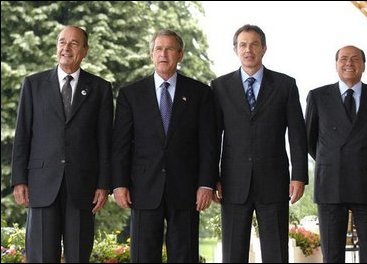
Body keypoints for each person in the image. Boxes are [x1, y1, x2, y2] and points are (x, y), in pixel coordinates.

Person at [112, 29, 217, 263]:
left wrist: (206, 184)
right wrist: (119, 184)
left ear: (180, 55)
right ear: (151, 54)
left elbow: (208, 144)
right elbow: (121, 145)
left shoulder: (200, 93)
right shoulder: (131, 94)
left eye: (169, 49)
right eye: (158, 49)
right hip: (143, 189)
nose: (163, 54)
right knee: (143, 255)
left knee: (184, 254)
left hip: (186, 190)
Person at [11, 25, 113, 263]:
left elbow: (105, 141)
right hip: (41, 184)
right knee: (41, 255)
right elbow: (22, 134)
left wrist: (104, 183)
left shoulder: (100, 88)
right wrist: (19, 179)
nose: (66, 48)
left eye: (74, 43)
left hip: (83, 186)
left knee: (78, 254)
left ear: (85, 50)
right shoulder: (33, 85)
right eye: (61, 42)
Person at [211, 24, 308, 263]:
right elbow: (213, 136)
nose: (248, 50)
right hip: (233, 183)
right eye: (243, 45)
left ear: (264, 48)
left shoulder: (286, 85)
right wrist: (212, 177)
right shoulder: (220, 87)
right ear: (235, 50)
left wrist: (299, 176)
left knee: (276, 252)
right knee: (234, 253)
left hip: (274, 182)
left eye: (254, 44)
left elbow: (297, 134)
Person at [305, 45, 367, 263]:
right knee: (332, 254)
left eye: (355, 59)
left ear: (363, 65)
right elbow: (310, 140)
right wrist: (335, 161)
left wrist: (364, 160)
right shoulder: (318, 96)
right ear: (336, 64)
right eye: (343, 59)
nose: (349, 63)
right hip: (330, 183)